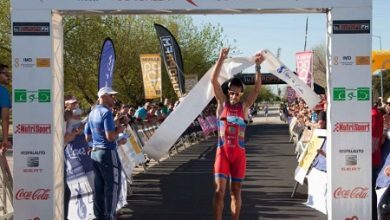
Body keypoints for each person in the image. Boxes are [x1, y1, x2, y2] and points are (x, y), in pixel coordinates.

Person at [211, 48, 264, 220]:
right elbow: (213, 81)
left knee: (236, 193)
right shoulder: (222, 104)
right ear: (228, 92)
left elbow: (256, 90)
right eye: (231, 92)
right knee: (219, 192)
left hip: (239, 155)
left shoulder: (244, 107)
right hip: (223, 154)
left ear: (241, 93)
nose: (234, 95)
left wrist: (257, 67)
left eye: (237, 93)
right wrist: (221, 58)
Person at [84, 87, 125, 220]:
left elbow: (87, 137)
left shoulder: (92, 112)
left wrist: (113, 125)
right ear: (104, 96)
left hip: (95, 152)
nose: (114, 98)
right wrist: (119, 129)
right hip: (107, 152)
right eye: (112, 96)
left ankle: (99, 216)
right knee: (112, 187)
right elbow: (110, 136)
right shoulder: (106, 112)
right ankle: (110, 216)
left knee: (99, 187)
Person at [0, 64, 11, 153]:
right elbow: (5, 118)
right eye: (6, 74)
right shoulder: (3, 92)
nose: (9, 77)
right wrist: (5, 140)